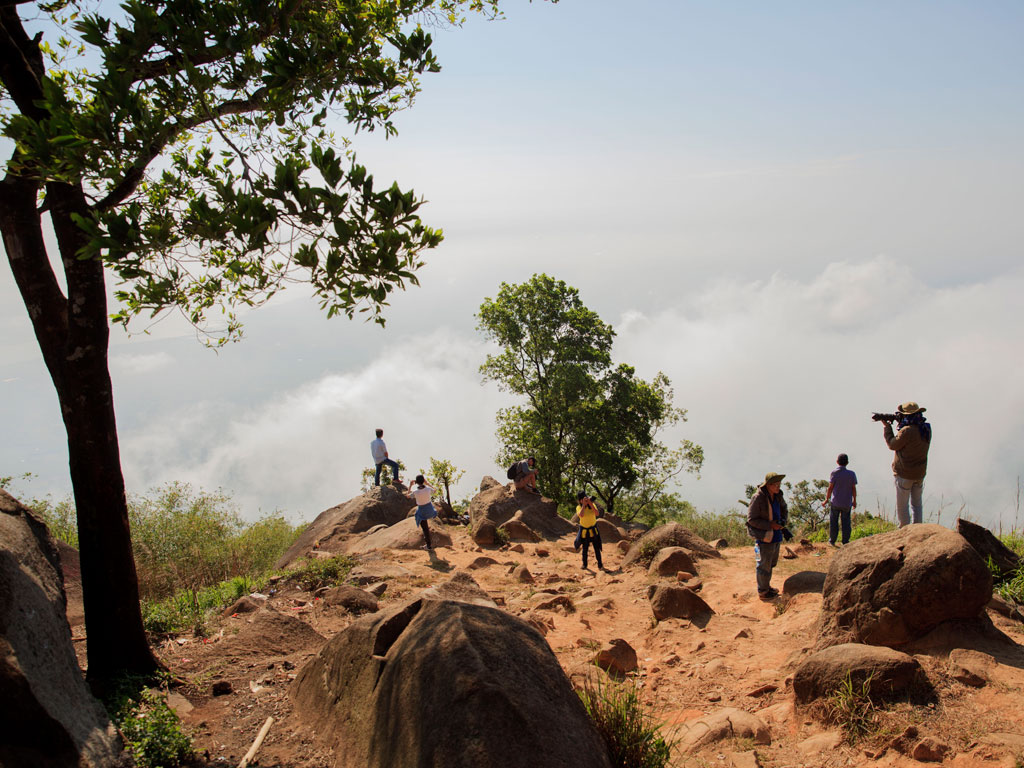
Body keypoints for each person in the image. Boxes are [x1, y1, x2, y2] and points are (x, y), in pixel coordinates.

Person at [882, 402, 932, 527]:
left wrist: (887, 428)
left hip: (904, 474)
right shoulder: (926, 429)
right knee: (917, 504)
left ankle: (905, 530)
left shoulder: (907, 431)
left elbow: (893, 445)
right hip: (920, 473)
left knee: (903, 505)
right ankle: (918, 529)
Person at [747, 471, 788, 600]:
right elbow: (751, 520)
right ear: (768, 485)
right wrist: (770, 525)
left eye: (779, 484)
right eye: (775, 485)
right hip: (764, 537)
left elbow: (784, 509)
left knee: (770, 563)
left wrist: (782, 522)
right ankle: (763, 592)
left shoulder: (778, 496)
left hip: (776, 536)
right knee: (763, 565)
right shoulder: (758, 497)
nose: (778, 487)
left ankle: (766, 586)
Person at [825, 453, 858, 546]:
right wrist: (854, 500)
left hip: (835, 502)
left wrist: (826, 499)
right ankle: (845, 541)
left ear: (837, 462)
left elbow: (830, 488)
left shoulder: (834, 473)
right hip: (846, 503)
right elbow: (853, 488)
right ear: (847, 462)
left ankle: (832, 541)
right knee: (846, 522)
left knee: (834, 522)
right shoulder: (851, 474)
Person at [574, 491, 603, 570]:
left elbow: (597, 514)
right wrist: (583, 505)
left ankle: (600, 565)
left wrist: (590, 504)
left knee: (597, 548)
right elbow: (581, 515)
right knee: (585, 549)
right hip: (584, 532)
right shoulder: (578, 507)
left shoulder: (592, 505)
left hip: (593, 530)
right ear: (580, 500)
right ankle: (584, 564)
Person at [407, 474, 437, 551]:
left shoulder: (416, 492)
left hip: (422, 512)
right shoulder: (428, 489)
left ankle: (428, 545)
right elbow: (435, 490)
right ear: (423, 481)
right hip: (431, 511)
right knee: (430, 509)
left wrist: (410, 485)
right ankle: (428, 545)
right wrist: (427, 483)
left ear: (416, 482)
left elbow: (408, 496)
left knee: (425, 528)